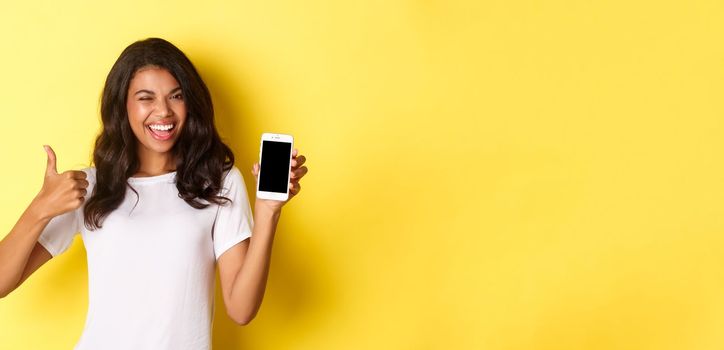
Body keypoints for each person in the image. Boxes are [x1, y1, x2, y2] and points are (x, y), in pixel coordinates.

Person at [0, 37, 308, 349]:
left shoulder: (218, 182)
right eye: (146, 98)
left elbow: (241, 309)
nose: (163, 112)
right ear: (123, 105)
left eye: (176, 96)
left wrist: (269, 210)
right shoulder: (92, 186)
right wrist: (40, 209)